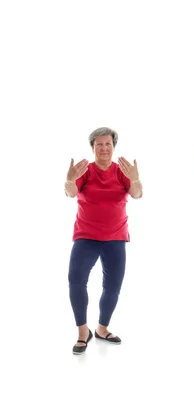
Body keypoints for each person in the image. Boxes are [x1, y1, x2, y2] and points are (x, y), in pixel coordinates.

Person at [65, 127, 143, 355]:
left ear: (113, 147)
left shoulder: (122, 171)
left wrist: (135, 179)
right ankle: (82, 332)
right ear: (92, 148)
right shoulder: (85, 171)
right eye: (98, 144)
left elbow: (137, 194)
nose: (103, 148)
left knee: (112, 286)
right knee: (76, 280)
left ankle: (102, 329)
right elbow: (70, 192)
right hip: (86, 237)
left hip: (115, 238)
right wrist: (68, 180)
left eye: (107, 144)